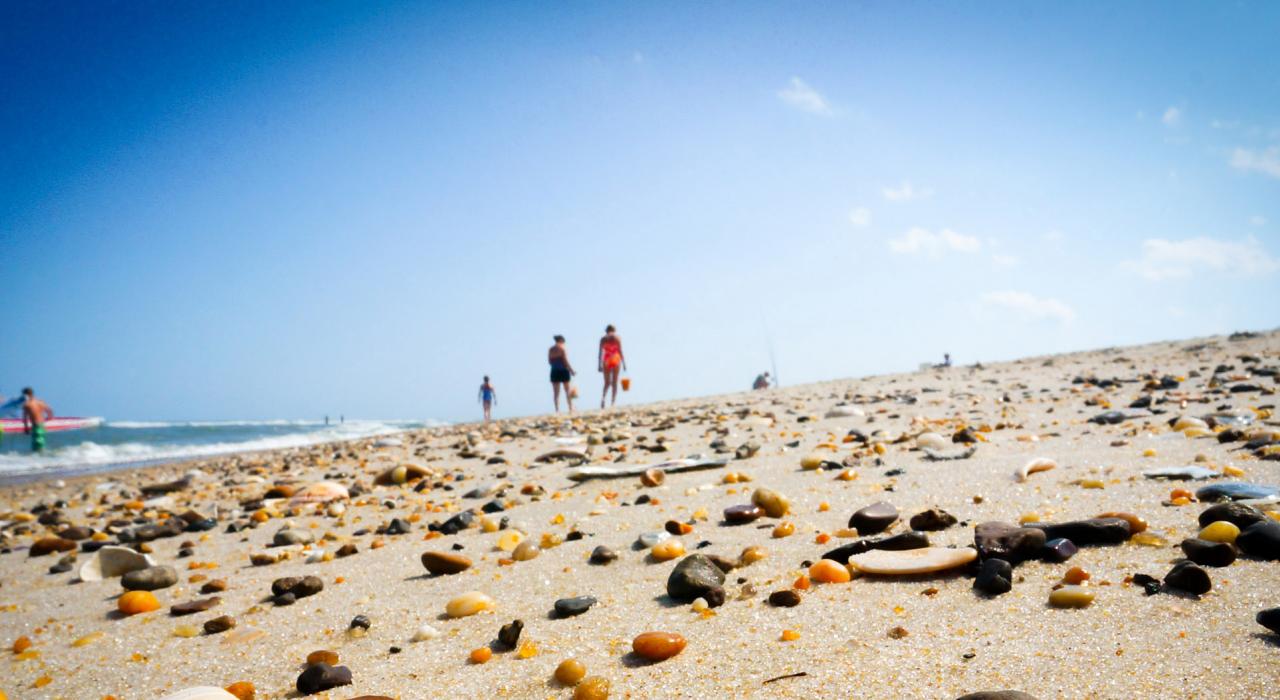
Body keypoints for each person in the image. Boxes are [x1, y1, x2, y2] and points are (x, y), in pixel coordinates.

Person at [598, 325, 626, 409]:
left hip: (606, 359)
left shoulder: (603, 339)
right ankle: (612, 402)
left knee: (607, 382)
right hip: (615, 359)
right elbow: (620, 351)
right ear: (614, 330)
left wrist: (599, 365)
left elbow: (600, 353)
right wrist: (624, 364)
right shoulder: (617, 337)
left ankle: (603, 398)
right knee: (615, 382)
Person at [548, 335, 576, 412]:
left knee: (556, 392)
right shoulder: (562, 348)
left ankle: (557, 409)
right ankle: (570, 407)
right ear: (561, 340)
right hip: (563, 370)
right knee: (567, 390)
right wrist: (571, 370)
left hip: (554, 370)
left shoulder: (551, 349)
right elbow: (565, 361)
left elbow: (550, 361)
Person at [21, 387, 53, 453]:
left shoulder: (26, 404)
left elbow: (25, 418)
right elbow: (49, 410)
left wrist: (26, 428)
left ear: (26, 395)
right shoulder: (41, 402)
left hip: (35, 426)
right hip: (42, 426)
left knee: (36, 447)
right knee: (41, 444)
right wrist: (49, 418)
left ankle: (38, 461)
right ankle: (43, 460)